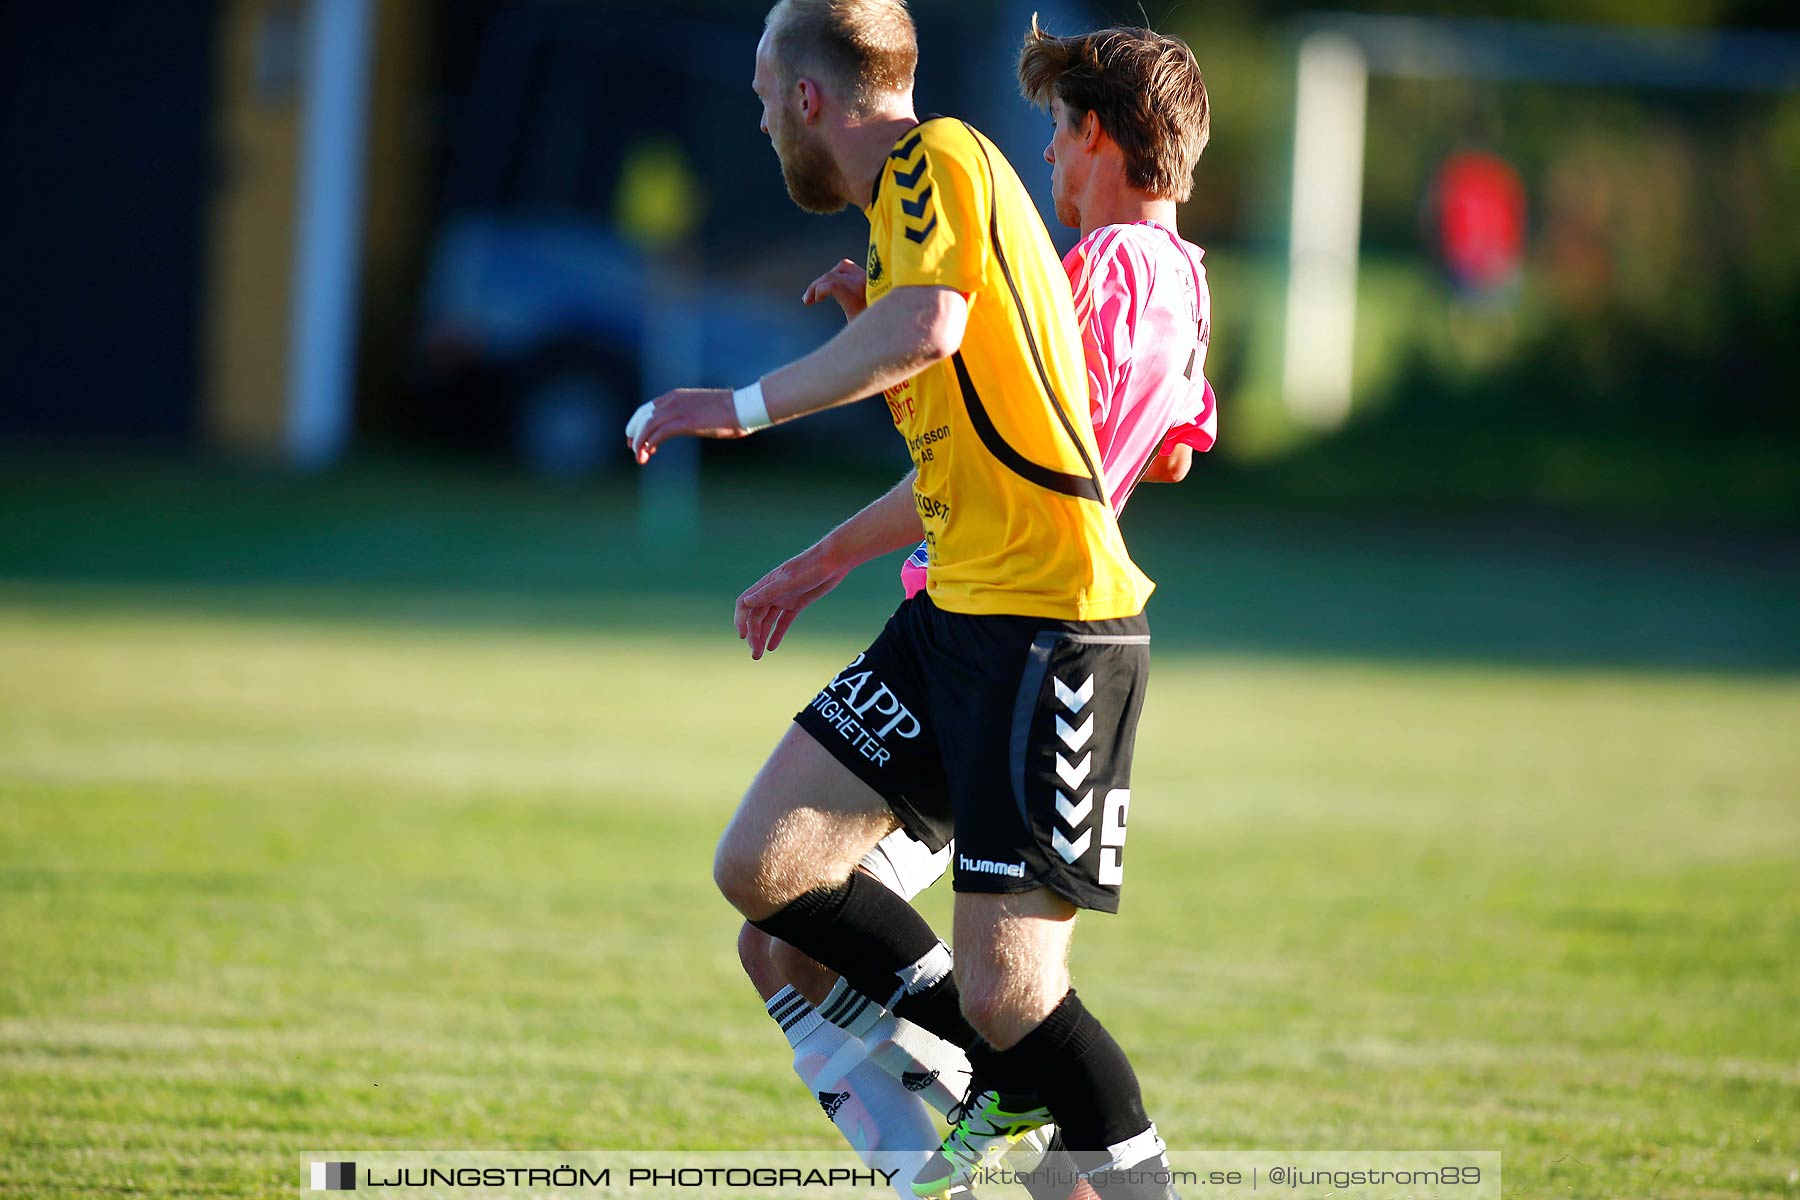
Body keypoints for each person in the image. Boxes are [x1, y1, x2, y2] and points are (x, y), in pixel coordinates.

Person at [627, 3, 1190, 1196]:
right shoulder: (901, 223)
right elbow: (970, 412)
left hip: (1049, 622)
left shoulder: (942, 158)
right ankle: (1003, 1082)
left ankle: (1061, 1122)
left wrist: (735, 406)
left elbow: (938, 331)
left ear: (811, 100)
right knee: (763, 874)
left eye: (764, 91)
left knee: (1011, 996)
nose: (761, 113)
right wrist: (823, 552)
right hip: (953, 618)